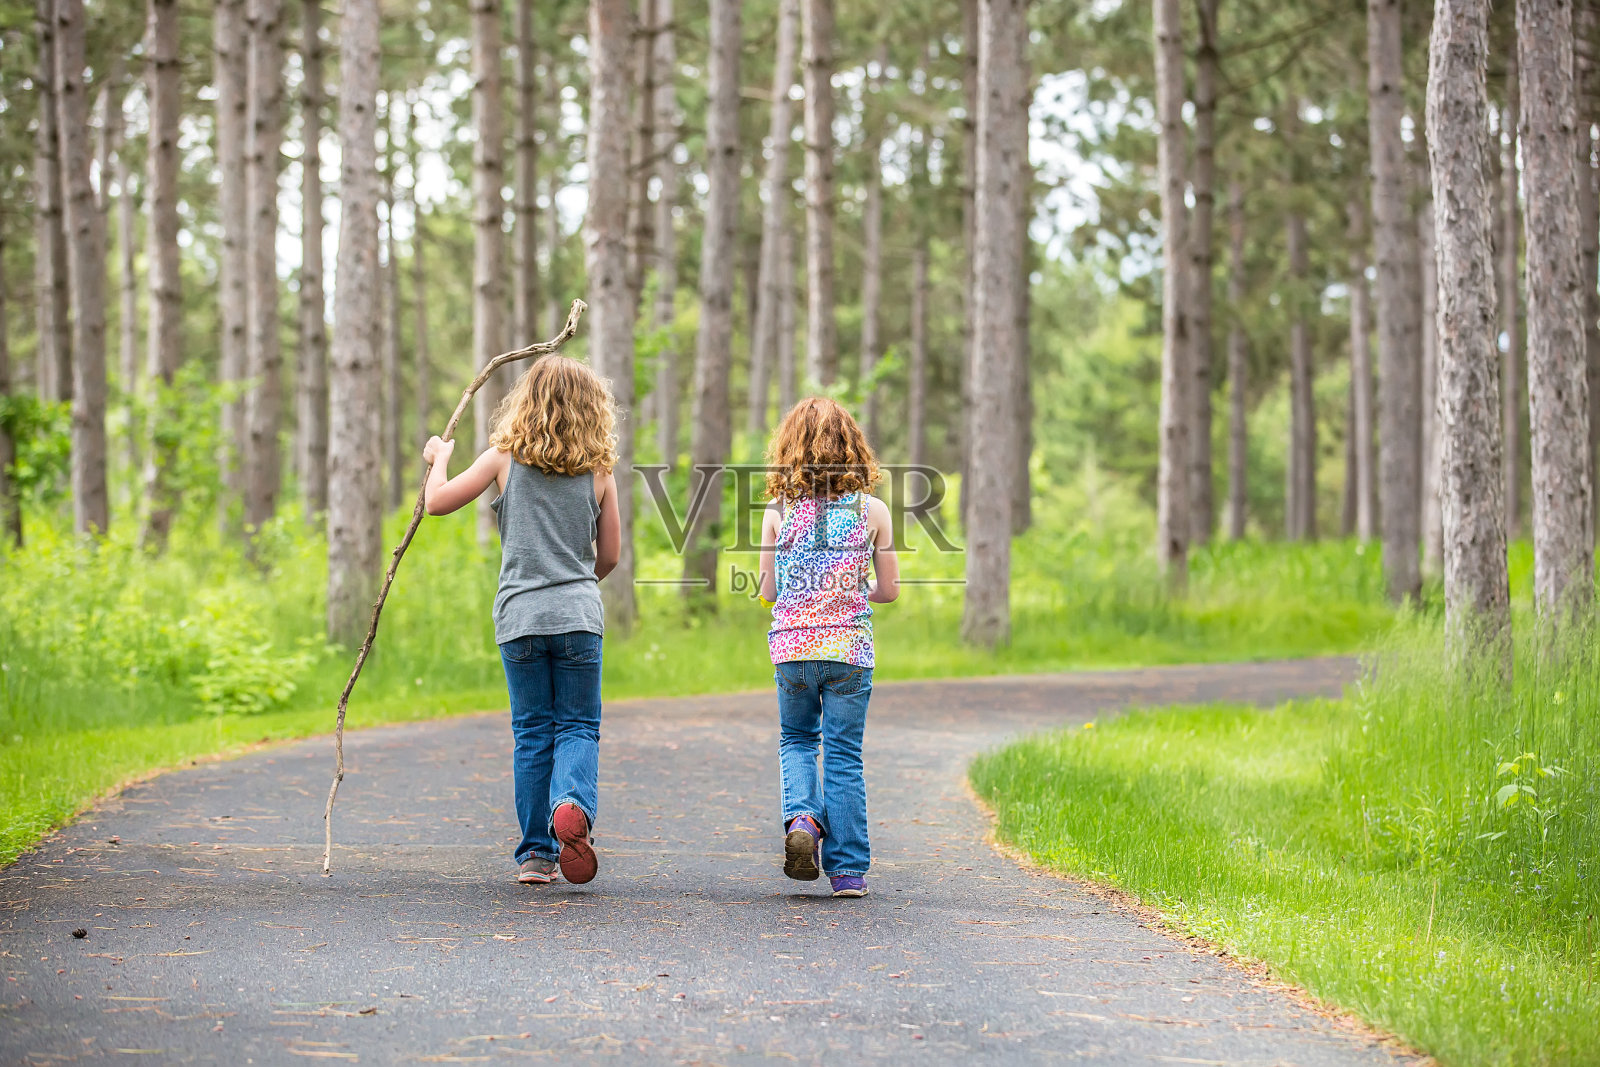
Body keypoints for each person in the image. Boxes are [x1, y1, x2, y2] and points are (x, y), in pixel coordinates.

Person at [421, 356, 621, 887]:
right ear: (591, 409)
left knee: (532, 731)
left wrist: (439, 457)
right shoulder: (600, 470)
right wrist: (576, 581)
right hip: (579, 615)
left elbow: (436, 503)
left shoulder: (503, 459)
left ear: (525, 403)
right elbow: (610, 557)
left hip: (521, 618)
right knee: (577, 725)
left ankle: (536, 855)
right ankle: (572, 804)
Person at [757, 397, 899, 898]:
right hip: (848, 653)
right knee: (843, 754)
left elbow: (769, 591)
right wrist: (854, 591)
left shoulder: (779, 512)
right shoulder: (873, 511)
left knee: (797, 740)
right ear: (853, 451)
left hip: (793, 652)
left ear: (790, 451)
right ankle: (848, 871)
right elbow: (889, 589)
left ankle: (802, 820)